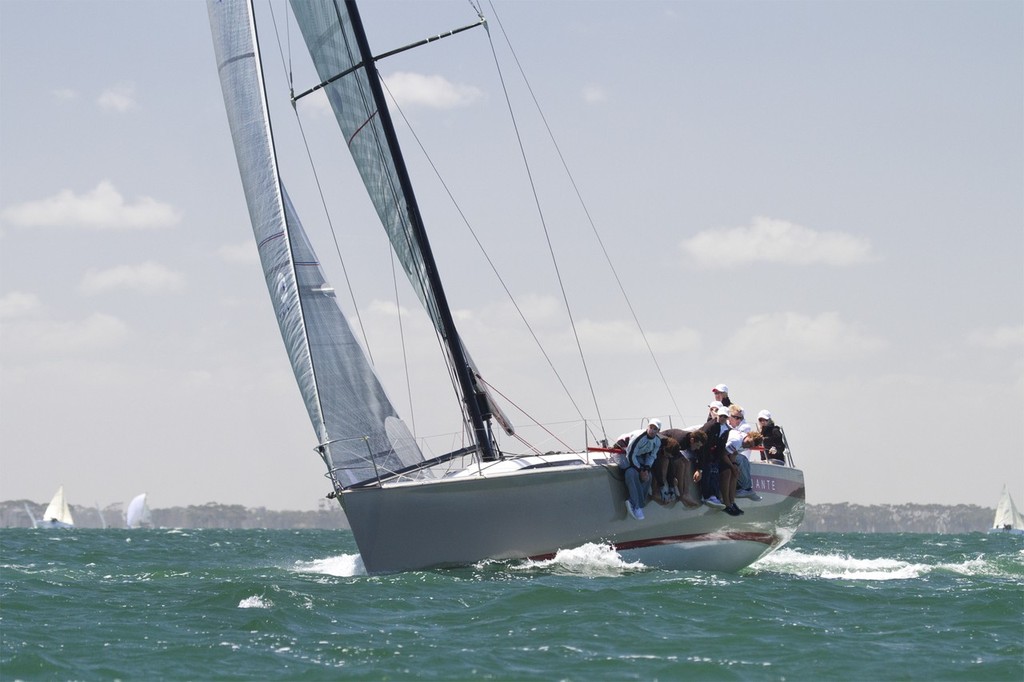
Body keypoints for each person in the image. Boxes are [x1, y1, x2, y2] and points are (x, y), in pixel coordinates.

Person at [619, 418, 662, 520]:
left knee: (648, 476)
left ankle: (638, 502)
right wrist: (640, 470)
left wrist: (646, 469)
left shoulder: (657, 441)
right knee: (631, 473)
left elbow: (652, 456)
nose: (652, 430)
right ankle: (635, 504)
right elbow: (630, 456)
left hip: (637, 455)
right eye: (650, 427)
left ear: (658, 431)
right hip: (621, 451)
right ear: (647, 427)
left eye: (655, 429)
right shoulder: (639, 437)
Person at [656, 428, 706, 507]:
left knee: (687, 462)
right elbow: (671, 458)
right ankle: (681, 494)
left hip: (674, 449)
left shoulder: (696, 441)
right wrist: (673, 477)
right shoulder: (681, 441)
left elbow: (702, 454)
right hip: (666, 446)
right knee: (681, 464)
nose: (698, 448)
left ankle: (686, 493)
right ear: (692, 440)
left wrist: (699, 470)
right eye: (697, 445)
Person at [698, 409, 731, 509]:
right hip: (702, 451)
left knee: (715, 471)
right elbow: (703, 443)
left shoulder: (726, 429)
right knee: (708, 470)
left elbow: (721, 445)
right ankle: (706, 496)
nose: (723, 418)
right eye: (721, 416)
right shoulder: (711, 426)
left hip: (713, 454)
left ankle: (714, 495)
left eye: (725, 417)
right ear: (717, 415)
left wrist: (716, 457)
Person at [726, 430, 764, 502]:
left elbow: (734, 454)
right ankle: (745, 489)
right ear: (748, 435)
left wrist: (734, 464)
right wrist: (733, 466)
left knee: (744, 460)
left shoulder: (746, 442)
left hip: (729, 453)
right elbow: (724, 453)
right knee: (741, 460)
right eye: (748, 443)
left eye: (750, 446)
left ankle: (746, 489)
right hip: (720, 451)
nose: (747, 446)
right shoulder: (736, 440)